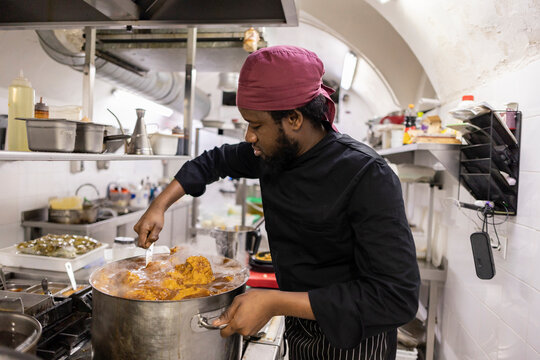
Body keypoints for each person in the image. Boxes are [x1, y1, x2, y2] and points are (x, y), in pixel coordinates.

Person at [134, 45, 420, 360]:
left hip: (356, 339)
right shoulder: (274, 153)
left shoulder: (366, 174)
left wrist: (273, 302)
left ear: (294, 118)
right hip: (301, 326)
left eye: (256, 125)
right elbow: (213, 162)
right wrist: (159, 205)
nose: (248, 137)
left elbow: (395, 297)